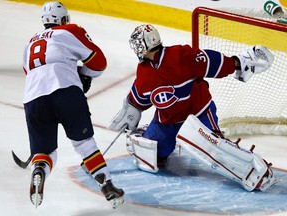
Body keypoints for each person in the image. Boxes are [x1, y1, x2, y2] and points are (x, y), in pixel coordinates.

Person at [108, 24, 276, 192]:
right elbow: (140, 97)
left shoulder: (180, 57)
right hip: (168, 120)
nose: (136, 48)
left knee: (215, 148)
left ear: (149, 43)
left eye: (138, 43)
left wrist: (239, 62)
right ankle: (148, 132)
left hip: (198, 113)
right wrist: (131, 110)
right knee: (153, 155)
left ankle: (253, 168)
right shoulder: (144, 72)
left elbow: (210, 61)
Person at [23, 2, 124, 208]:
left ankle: (40, 169)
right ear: (62, 19)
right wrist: (84, 76)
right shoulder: (69, 30)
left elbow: (31, 72)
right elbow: (99, 62)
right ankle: (106, 184)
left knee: (45, 152)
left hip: (33, 98)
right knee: (84, 144)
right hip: (65, 91)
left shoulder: (29, 45)